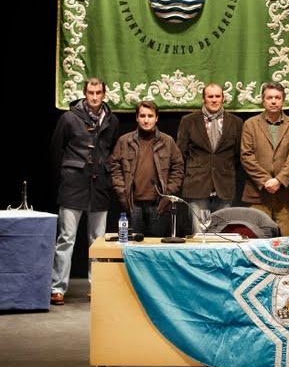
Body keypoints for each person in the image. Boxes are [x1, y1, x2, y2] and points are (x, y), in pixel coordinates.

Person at [50, 78, 119, 305]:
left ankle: (97, 286)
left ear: (104, 93)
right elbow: (56, 150)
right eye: (91, 92)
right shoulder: (69, 118)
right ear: (84, 93)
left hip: (99, 186)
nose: (95, 96)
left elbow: (111, 150)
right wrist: (67, 174)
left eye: (99, 92)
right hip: (73, 185)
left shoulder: (112, 120)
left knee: (97, 240)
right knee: (66, 238)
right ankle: (58, 287)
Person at [110, 101, 184, 236]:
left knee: (157, 249)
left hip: (159, 204)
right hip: (133, 204)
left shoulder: (167, 141)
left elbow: (178, 168)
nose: (146, 120)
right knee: (134, 249)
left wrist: (168, 196)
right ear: (137, 118)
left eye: (150, 116)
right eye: (142, 116)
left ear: (156, 118)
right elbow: (115, 168)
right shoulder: (124, 141)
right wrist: (122, 193)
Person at [177, 83, 243, 234]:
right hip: (197, 184)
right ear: (203, 99)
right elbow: (181, 152)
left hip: (224, 184)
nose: (214, 100)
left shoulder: (236, 122)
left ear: (223, 98)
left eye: (217, 96)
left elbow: (238, 155)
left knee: (222, 236)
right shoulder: (189, 121)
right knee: (200, 237)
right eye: (210, 96)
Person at [240, 82, 289, 236]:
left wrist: (279, 180)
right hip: (258, 193)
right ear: (263, 100)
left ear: (283, 100)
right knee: (257, 244)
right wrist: (266, 181)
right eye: (269, 98)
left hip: (286, 194)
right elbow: (246, 156)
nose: (273, 101)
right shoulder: (250, 124)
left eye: (277, 98)